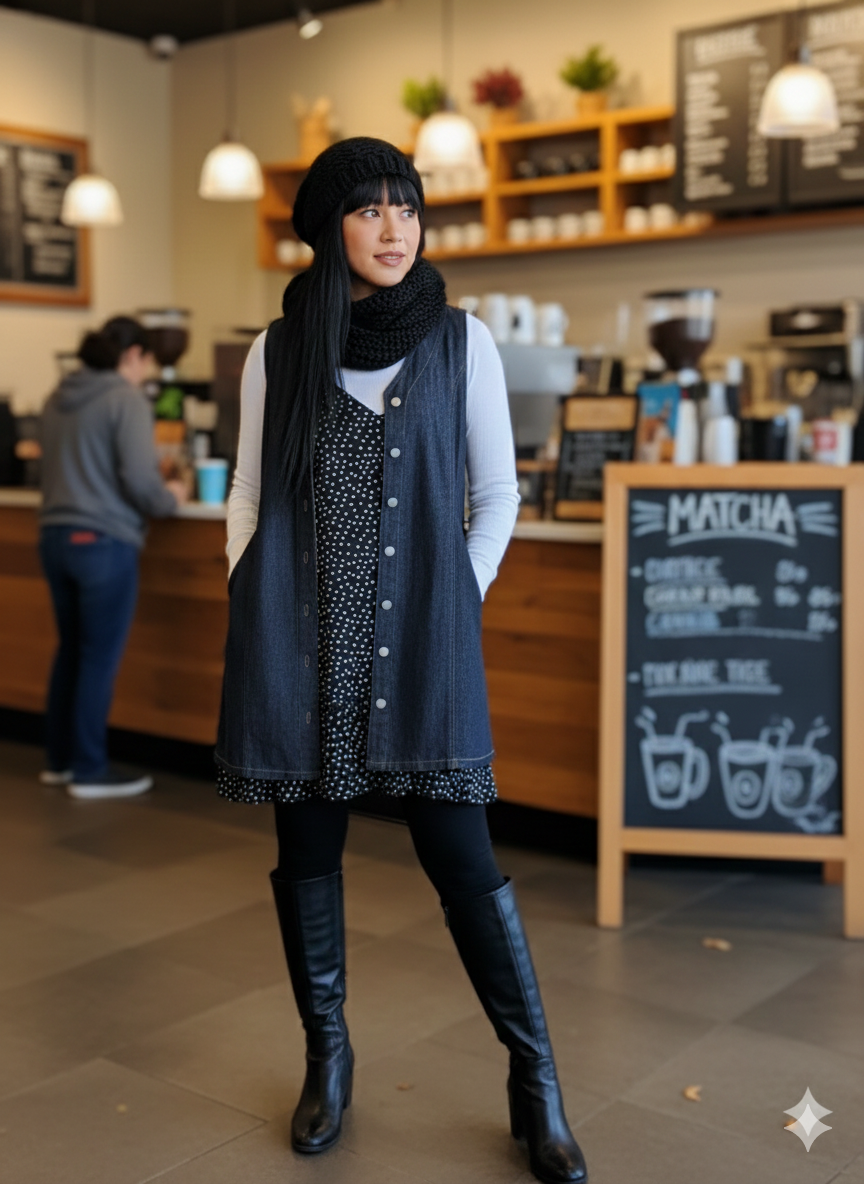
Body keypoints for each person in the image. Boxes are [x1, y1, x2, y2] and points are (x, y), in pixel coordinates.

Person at [216, 138, 587, 1184]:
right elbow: (245, 488)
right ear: (330, 226)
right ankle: (326, 1056)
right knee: (309, 858)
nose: (395, 230)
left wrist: (453, 596)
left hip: (421, 647)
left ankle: (536, 1081)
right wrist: (247, 577)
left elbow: (498, 494)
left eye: (410, 210)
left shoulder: (461, 343)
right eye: (372, 211)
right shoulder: (276, 349)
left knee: (465, 862)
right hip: (299, 648)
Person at [39, 315, 187, 799]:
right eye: (146, 362)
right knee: (97, 659)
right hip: (102, 542)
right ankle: (88, 769)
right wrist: (173, 495)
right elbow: (141, 482)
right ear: (134, 355)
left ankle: (60, 761)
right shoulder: (124, 398)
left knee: (71, 652)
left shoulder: (57, 396)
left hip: (55, 537)